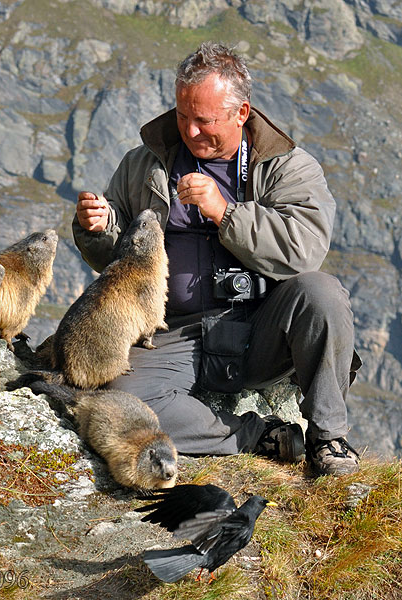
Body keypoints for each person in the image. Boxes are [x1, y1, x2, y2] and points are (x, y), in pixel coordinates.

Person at [72, 42, 361, 476]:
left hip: (260, 326)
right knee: (122, 403)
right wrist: (97, 228)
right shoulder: (145, 164)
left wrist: (226, 213)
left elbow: (304, 249)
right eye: (182, 116)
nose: (190, 131)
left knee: (322, 293)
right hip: (174, 332)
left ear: (241, 112)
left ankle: (329, 439)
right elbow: (115, 259)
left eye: (203, 121)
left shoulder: (287, 166)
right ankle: (258, 437)